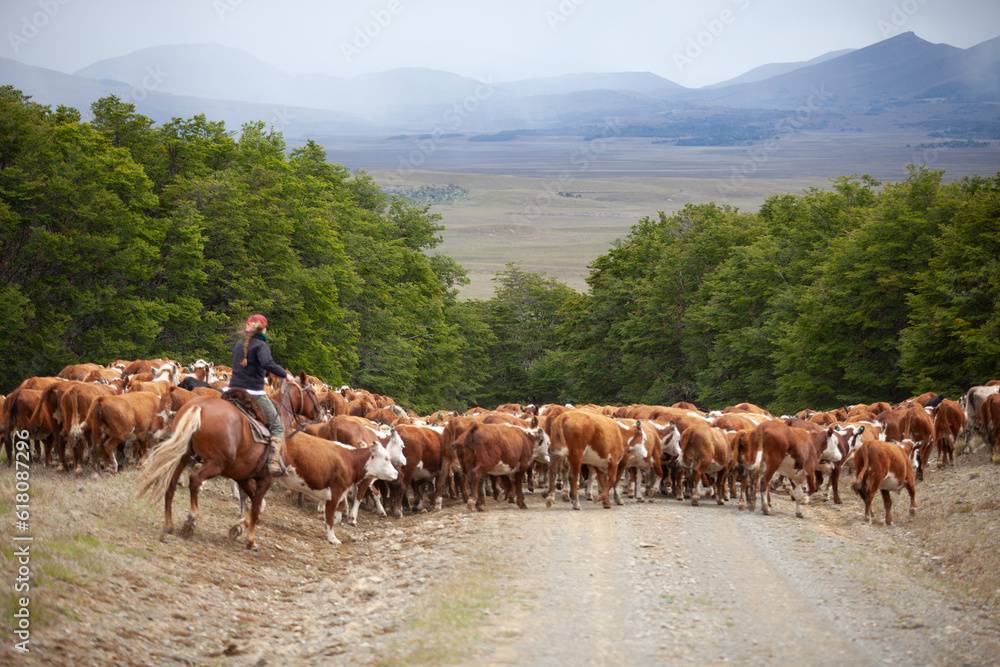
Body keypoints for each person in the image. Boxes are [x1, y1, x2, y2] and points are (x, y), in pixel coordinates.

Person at [228, 314, 295, 477]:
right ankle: (273, 463)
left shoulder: (239, 344)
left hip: (232, 391)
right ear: (262, 329)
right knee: (278, 426)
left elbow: (254, 367)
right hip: (253, 393)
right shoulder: (261, 345)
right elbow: (267, 363)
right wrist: (285, 374)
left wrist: (266, 373)